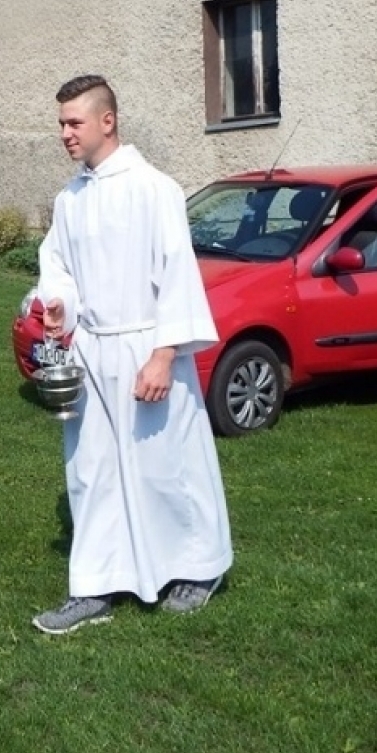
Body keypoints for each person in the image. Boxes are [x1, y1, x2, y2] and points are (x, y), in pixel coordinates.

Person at [30, 75, 233, 635]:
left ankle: (200, 566)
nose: (65, 134)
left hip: (148, 345)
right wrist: (57, 306)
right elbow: (60, 270)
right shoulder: (68, 199)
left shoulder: (153, 188)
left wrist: (164, 355)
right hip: (93, 351)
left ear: (107, 121)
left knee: (167, 465)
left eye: (74, 123)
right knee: (91, 469)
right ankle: (94, 583)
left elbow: (176, 273)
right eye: (61, 124)